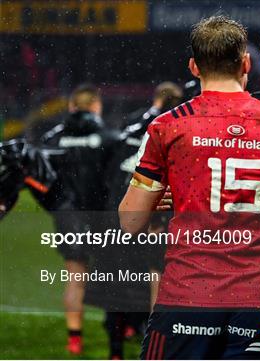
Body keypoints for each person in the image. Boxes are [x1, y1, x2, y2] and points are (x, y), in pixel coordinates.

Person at [118, 15, 260, 359]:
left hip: (187, 295)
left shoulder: (167, 127)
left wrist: (163, 198)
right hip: (256, 298)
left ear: (193, 67)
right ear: (246, 63)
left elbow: (130, 222)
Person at [84, 82, 183, 359]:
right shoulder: (176, 126)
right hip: (156, 218)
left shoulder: (132, 125)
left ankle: (120, 343)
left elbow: (109, 165)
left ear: (155, 99)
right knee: (152, 281)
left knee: (120, 283)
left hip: (122, 212)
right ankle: (150, 339)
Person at [36, 84, 120, 355]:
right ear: (96, 106)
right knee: (114, 275)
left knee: (75, 276)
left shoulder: (54, 138)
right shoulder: (109, 137)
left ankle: (75, 338)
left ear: (72, 106)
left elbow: (40, 177)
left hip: (68, 215)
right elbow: (116, 178)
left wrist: (56, 206)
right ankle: (119, 335)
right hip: (101, 215)